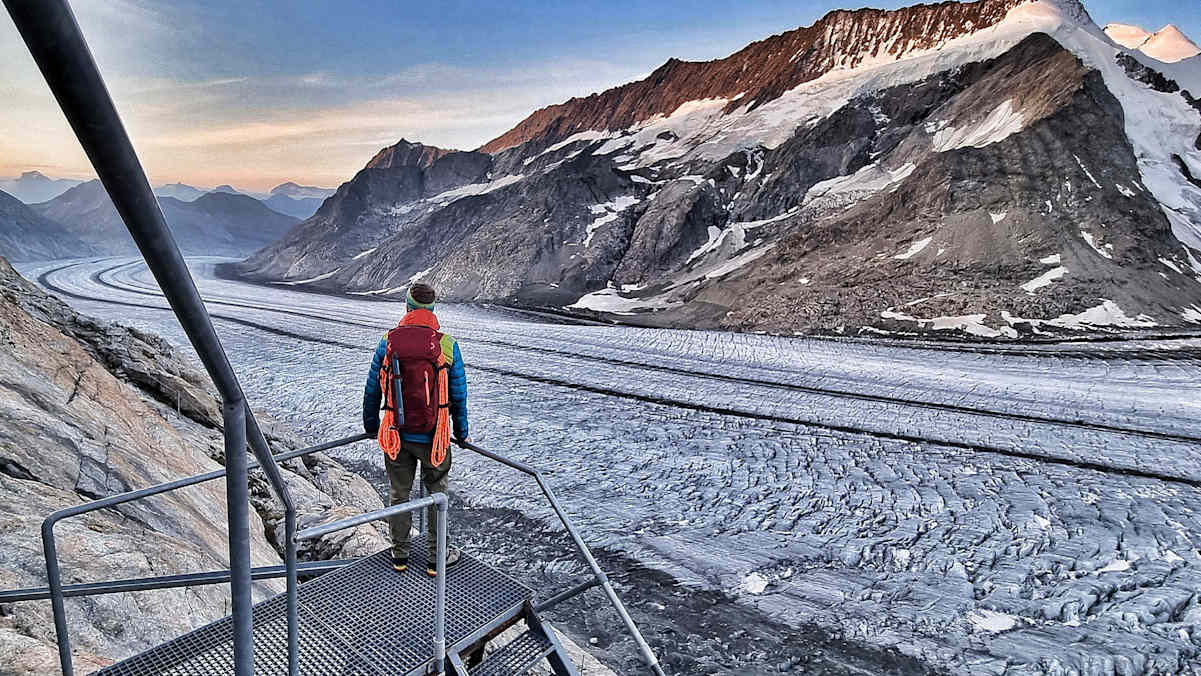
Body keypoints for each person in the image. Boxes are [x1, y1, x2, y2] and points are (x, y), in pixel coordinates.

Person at [363, 282, 469, 576]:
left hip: (397, 433)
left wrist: (372, 426)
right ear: (433, 310)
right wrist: (461, 432)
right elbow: (458, 394)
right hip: (435, 437)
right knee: (438, 496)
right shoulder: (447, 344)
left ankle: (400, 556)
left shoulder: (388, 341)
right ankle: (436, 561)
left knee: (399, 494)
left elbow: (373, 389)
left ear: (407, 307)